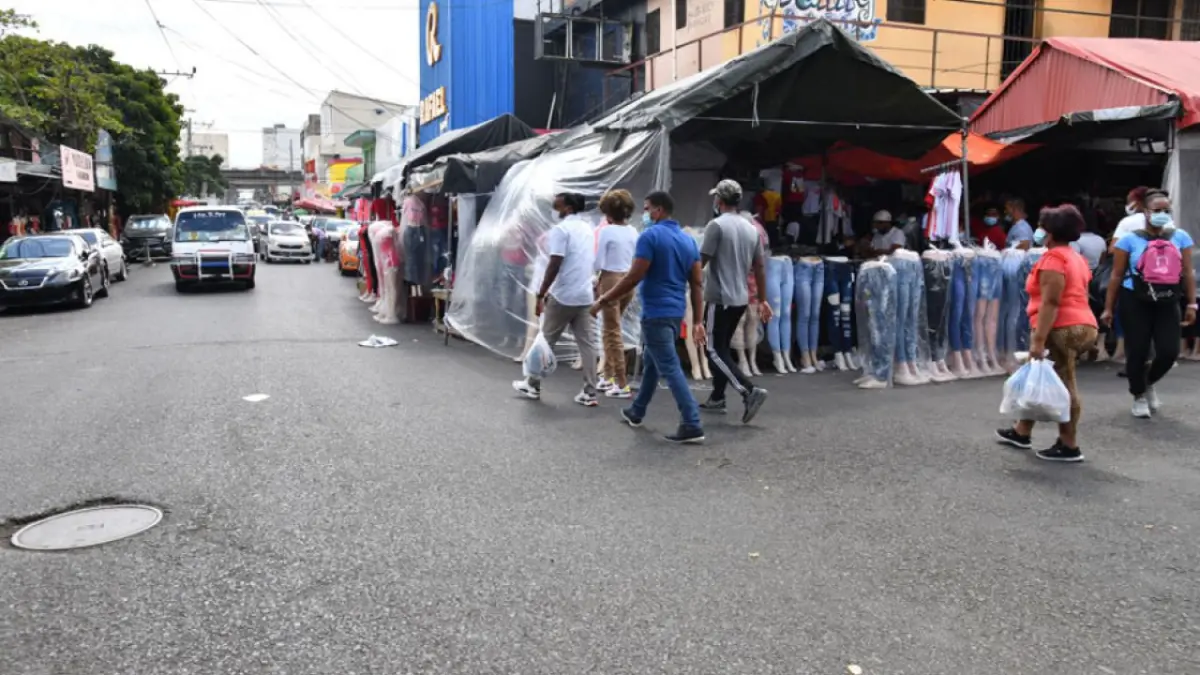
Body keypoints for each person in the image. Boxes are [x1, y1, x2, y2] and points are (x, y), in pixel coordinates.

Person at [591, 191, 706, 444]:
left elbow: (634, 276)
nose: (644, 214)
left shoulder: (650, 236)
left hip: (656, 312)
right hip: (675, 313)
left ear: (658, 210)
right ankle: (637, 410)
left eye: (647, 209)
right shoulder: (688, 242)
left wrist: (603, 300)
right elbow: (697, 284)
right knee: (653, 365)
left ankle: (692, 422)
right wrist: (697, 320)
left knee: (670, 367)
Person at [996, 205, 1098, 462]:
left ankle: (1069, 444)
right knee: (1040, 374)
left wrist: (1038, 339)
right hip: (1083, 323)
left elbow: (1051, 302)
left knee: (1065, 381)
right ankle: (1022, 430)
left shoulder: (1053, 259)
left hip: (1061, 326)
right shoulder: (1076, 257)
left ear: (1050, 231)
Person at [1103, 189, 1196, 419]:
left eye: (1167, 210)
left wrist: (1192, 304)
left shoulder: (1180, 236)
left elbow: (1187, 272)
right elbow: (1116, 275)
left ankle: (1147, 382)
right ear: (1145, 212)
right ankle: (1139, 395)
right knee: (1138, 351)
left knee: (1168, 351)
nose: (1163, 214)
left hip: (1167, 299)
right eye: (1157, 210)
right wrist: (1108, 307)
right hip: (1134, 299)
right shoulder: (1129, 240)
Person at [512, 192, 601, 407]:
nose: (554, 209)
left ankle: (532, 384)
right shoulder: (587, 229)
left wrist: (542, 292)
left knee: (545, 339)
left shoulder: (561, 231)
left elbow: (555, 263)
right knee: (587, 344)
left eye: (557, 205)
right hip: (584, 294)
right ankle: (590, 391)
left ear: (568, 207)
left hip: (563, 295)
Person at [696, 179, 772, 423]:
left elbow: (701, 262)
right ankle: (718, 396)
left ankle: (749, 391)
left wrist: (688, 280)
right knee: (722, 348)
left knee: (712, 349)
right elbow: (759, 267)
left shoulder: (715, 226)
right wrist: (763, 299)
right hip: (741, 297)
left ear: (719, 200)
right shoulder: (751, 228)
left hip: (720, 297)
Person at [594, 189, 639, 398]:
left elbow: (598, 261)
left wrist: (596, 280)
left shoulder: (606, 232)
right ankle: (608, 376)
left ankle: (621, 381)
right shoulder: (633, 232)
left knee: (611, 332)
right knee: (610, 328)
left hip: (610, 279)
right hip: (628, 280)